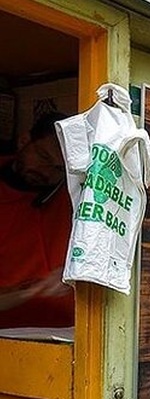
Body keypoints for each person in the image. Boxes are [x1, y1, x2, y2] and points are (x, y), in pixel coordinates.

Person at [0, 112, 74, 328]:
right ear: (24, 141)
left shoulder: (74, 193)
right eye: (43, 157)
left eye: (59, 169)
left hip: (72, 337)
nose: (46, 172)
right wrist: (30, 290)